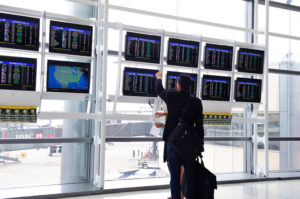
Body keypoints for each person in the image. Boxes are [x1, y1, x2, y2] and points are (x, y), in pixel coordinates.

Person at [155, 71, 204, 199]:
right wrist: (200, 145)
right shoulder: (197, 102)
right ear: (190, 86)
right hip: (189, 145)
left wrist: (159, 78)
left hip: (173, 144)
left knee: (175, 178)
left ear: (178, 85)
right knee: (189, 177)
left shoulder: (171, 96)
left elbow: (159, 90)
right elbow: (199, 126)